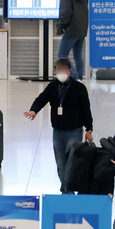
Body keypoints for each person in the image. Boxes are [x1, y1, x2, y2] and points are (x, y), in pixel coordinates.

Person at [24, 58, 94, 194]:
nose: (60, 73)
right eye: (57, 70)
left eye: (62, 70)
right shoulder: (53, 86)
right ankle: (67, 189)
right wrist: (34, 110)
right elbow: (42, 99)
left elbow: (86, 109)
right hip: (57, 132)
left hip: (74, 131)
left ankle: (67, 190)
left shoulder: (79, 88)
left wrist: (89, 129)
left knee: (71, 163)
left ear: (69, 71)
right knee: (61, 165)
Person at [78, 129, 115, 196]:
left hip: (94, 197)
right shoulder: (106, 156)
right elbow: (99, 173)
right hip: (94, 199)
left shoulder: (107, 154)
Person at [57, 0, 89, 80]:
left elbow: (65, 12)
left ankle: (75, 78)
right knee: (78, 56)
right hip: (82, 29)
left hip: (71, 30)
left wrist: (62, 25)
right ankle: (79, 78)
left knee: (62, 55)